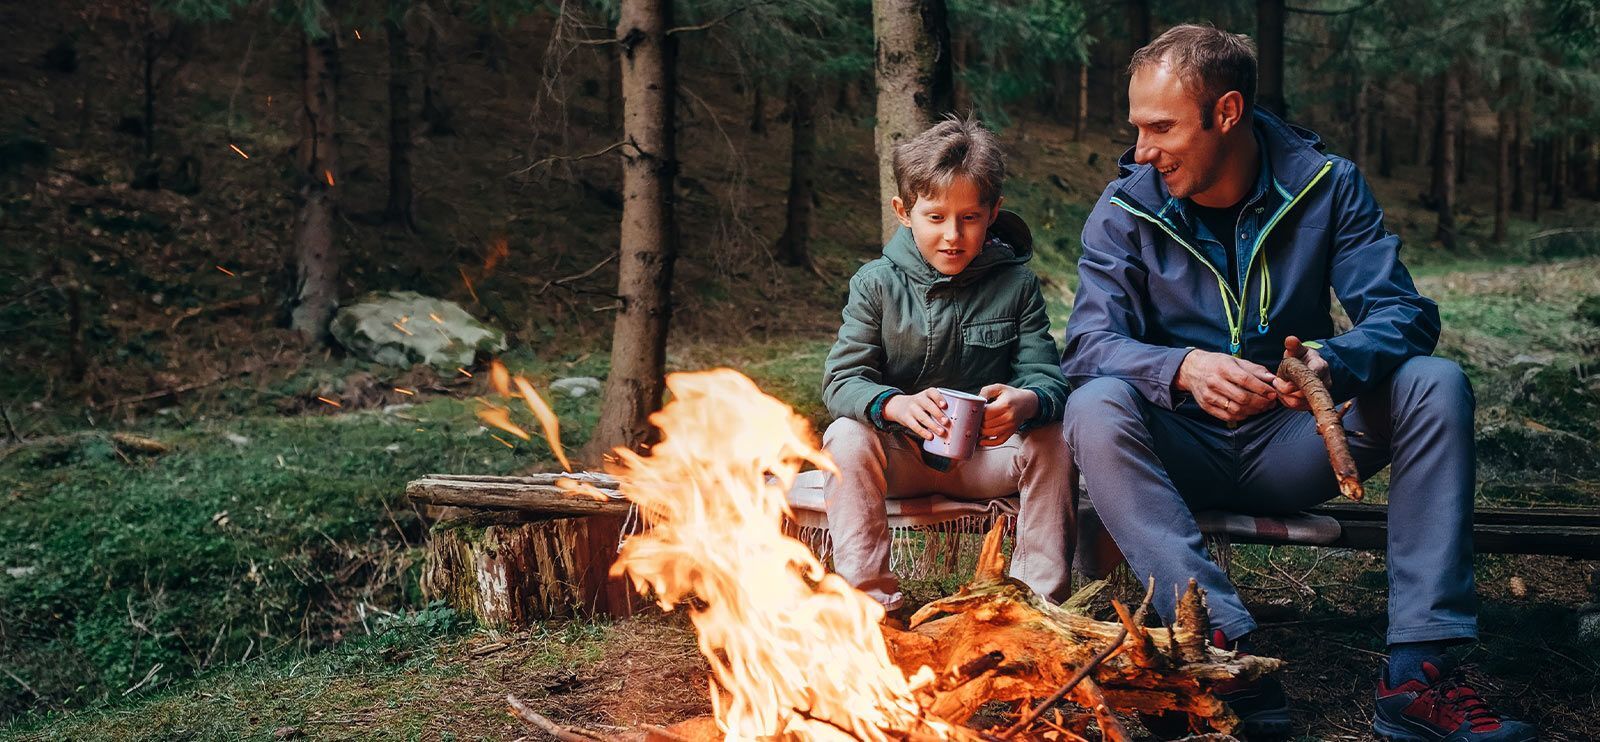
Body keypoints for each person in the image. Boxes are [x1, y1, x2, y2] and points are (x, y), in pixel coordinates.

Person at [1061, 24, 1536, 741]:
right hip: (1172, 452)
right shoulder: (1126, 208)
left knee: (1434, 384)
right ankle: (1219, 652)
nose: (1143, 149)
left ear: (1227, 113)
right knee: (1095, 404)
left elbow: (1402, 314)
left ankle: (1417, 676)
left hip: (1295, 445)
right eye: (1137, 128)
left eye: (1161, 127)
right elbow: (1086, 345)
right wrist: (1180, 368)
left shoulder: (1327, 185)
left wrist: (1327, 364)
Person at [820, 116, 1074, 617]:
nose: (953, 236)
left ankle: (1035, 606)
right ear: (904, 212)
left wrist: (1027, 402)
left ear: (993, 212)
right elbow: (840, 381)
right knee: (845, 436)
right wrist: (893, 405)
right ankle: (871, 607)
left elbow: (1049, 379)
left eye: (970, 218)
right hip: (901, 460)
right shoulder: (875, 284)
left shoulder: (1016, 285)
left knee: (1055, 435)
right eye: (935, 217)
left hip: (987, 458)